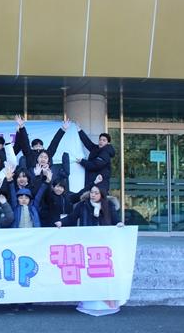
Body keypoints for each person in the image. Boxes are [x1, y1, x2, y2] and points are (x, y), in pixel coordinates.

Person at [54, 184, 124, 316]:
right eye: (92, 192)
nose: (93, 195)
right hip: (87, 244)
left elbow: (115, 219)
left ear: (101, 194)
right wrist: (61, 222)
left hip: (103, 246)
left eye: (96, 193)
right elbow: (72, 217)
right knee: (89, 273)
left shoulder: (108, 205)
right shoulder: (82, 205)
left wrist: (119, 223)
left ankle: (106, 302)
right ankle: (89, 301)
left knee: (103, 273)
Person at [75, 125, 115, 192]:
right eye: (100, 140)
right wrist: (79, 130)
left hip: (100, 185)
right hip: (93, 182)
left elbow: (95, 166)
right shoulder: (97, 149)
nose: (101, 141)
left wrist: (82, 161)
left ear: (108, 143)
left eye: (104, 140)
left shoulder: (106, 152)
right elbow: (88, 143)